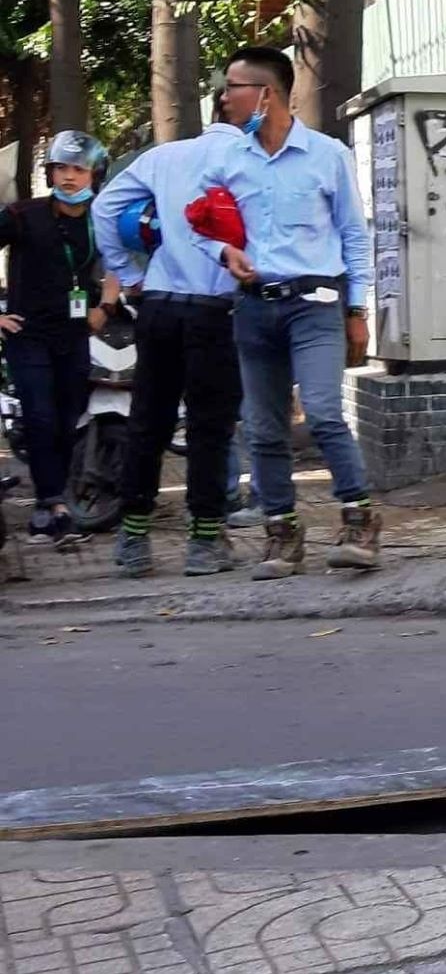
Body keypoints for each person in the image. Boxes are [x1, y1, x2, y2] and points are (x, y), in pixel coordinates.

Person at [194, 46, 380, 578]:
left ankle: (359, 519)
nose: (224, 97)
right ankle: (282, 533)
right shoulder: (226, 159)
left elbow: (353, 235)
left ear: (266, 94)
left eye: (233, 86)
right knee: (263, 427)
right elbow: (202, 228)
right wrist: (224, 252)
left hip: (316, 304)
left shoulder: (326, 155)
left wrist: (358, 306)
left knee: (322, 411)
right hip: (253, 309)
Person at [91, 119, 245, 577]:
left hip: (158, 306)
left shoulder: (163, 157)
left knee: (148, 423)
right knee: (209, 428)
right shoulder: (248, 161)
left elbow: (104, 208)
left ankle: (133, 540)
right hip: (217, 310)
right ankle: (203, 542)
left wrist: (128, 273)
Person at [0, 131, 108, 542]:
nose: (68, 177)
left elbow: (119, 262)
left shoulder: (103, 218)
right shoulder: (23, 215)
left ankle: (53, 502)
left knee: (68, 418)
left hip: (74, 334)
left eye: (77, 169)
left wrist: (107, 306)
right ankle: (52, 504)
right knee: (41, 417)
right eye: (60, 168)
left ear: (94, 174)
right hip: (28, 334)